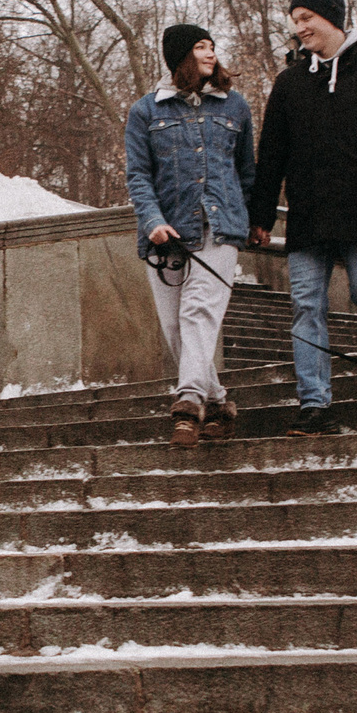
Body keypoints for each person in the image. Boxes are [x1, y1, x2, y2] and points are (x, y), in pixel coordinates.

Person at [246, 0, 357, 434]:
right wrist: (261, 217)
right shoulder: (289, 84)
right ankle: (314, 403)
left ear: (332, 18)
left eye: (306, 18)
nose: (300, 28)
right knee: (306, 305)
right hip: (309, 215)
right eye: (295, 21)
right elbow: (272, 154)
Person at [125, 23, 255, 446]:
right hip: (165, 235)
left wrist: (252, 221)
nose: (211, 53)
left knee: (198, 311)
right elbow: (138, 175)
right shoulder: (146, 111)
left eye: (212, 46)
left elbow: (247, 172)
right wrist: (153, 220)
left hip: (220, 228)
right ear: (181, 56)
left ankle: (188, 403)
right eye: (201, 46)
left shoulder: (235, 106)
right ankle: (218, 404)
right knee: (175, 328)